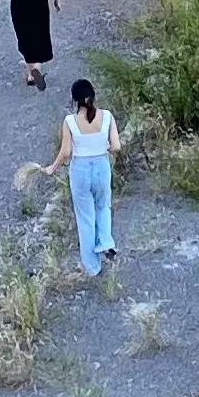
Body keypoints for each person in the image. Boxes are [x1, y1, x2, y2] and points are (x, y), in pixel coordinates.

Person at [39, 78, 121, 275]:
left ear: (75, 100)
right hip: (102, 165)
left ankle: (92, 267)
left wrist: (53, 167)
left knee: (85, 216)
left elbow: (66, 152)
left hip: (80, 171)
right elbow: (117, 146)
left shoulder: (70, 121)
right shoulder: (107, 116)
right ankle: (106, 241)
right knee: (103, 206)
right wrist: (104, 147)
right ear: (93, 95)